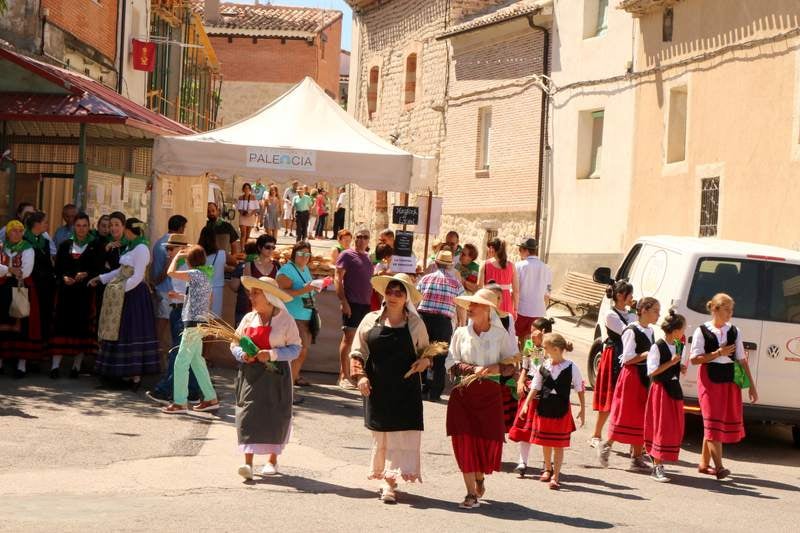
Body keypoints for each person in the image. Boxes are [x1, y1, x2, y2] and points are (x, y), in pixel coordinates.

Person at [350, 274, 431, 503]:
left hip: (406, 389)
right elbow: (357, 351)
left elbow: (427, 353)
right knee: (383, 435)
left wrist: (424, 362)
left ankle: (389, 482)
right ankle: (386, 478)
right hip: (378, 387)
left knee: (399, 436)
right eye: (390, 291)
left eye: (399, 292)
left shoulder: (415, 324)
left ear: (406, 298)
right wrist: (360, 377)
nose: (393, 296)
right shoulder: (370, 320)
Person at [445, 289, 519, 510]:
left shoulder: (501, 335)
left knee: (485, 442)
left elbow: (512, 365)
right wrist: (472, 369)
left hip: (489, 395)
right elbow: (451, 363)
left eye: (475, 304)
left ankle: (479, 476)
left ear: (488, 309)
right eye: (470, 304)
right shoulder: (460, 333)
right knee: (463, 441)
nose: (470, 308)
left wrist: (498, 368)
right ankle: (470, 493)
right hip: (463, 394)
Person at [232, 276, 302, 480]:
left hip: (276, 375)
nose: (251, 296)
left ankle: (272, 460)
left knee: (275, 414)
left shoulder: (285, 320)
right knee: (247, 414)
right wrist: (242, 355)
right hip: (250, 374)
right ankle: (247, 464)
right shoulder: (248, 318)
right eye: (251, 293)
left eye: (256, 293)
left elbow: (296, 348)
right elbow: (234, 344)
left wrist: (272, 354)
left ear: (269, 297)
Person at [690, 293, 758, 480]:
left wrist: (752, 386)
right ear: (715, 309)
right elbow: (694, 360)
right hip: (709, 380)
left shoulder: (734, 331)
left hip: (729, 380)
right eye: (727, 309)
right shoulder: (701, 331)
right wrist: (718, 353)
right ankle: (719, 467)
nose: (730, 313)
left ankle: (704, 464)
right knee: (712, 422)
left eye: (731, 310)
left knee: (714, 423)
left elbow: (742, 360)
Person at [89, 218, 160, 391]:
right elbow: (120, 271)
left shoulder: (141, 248)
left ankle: (135, 377)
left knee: (132, 332)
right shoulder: (131, 246)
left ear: (128, 230)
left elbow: (138, 276)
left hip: (134, 295)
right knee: (120, 332)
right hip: (123, 293)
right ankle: (120, 375)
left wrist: (119, 290)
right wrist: (102, 278)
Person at [599, 297, 660, 469]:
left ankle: (637, 457)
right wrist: (646, 354)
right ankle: (606, 445)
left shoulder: (650, 331)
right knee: (625, 414)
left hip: (644, 376)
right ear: (644, 310)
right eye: (655, 311)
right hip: (631, 377)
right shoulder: (631, 330)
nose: (658, 314)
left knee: (641, 416)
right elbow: (626, 358)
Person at [161, 245, 220, 414]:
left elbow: (170, 272)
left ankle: (180, 402)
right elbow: (202, 298)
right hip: (199, 322)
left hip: (193, 324)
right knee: (197, 362)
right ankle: (210, 398)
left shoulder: (194, 274)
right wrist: (179, 296)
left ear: (189, 260)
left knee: (181, 362)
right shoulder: (204, 275)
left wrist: (176, 257)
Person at [49, 212, 103, 379]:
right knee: (61, 327)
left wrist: (86, 274)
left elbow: (99, 269)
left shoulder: (95, 245)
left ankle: (76, 366)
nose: (81, 229)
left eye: (84, 226)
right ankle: (55, 366)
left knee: (82, 329)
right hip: (66, 294)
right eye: (78, 225)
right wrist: (64, 277)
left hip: (84, 294)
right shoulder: (65, 245)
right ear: (74, 227)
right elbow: (57, 269)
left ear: (89, 226)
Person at [530, 333, 585, 490]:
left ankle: (556, 476)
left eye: (546, 348)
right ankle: (548, 468)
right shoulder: (544, 366)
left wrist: (582, 408)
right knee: (546, 442)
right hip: (545, 406)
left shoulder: (571, 367)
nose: (544, 350)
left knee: (558, 444)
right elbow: (535, 386)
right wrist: (527, 404)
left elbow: (579, 387)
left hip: (561, 408)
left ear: (555, 349)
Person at [644, 311, 689, 483]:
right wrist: (672, 362)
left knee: (673, 427)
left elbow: (675, 366)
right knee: (661, 427)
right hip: (661, 390)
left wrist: (679, 367)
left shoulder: (678, 346)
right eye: (683, 329)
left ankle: (657, 459)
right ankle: (657, 467)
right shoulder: (657, 346)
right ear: (675, 331)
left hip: (674, 389)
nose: (683, 332)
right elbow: (652, 371)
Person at [590, 280, 636, 447]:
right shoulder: (610, 314)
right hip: (614, 354)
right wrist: (635, 316)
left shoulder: (630, 314)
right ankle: (596, 435)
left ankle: (630, 441)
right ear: (620, 296)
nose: (632, 297)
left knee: (626, 397)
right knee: (609, 395)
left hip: (628, 355)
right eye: (629, 294)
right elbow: (627, 332)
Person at [416, 250, 464, 401]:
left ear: (436, 263)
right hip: (443, 321)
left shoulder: (425, 279)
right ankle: (435, 392)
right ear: (450, 266)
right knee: (440, 357)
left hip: (424, 319)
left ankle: (420, 387)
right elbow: (461, 305)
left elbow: (416, 298)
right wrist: (462, 323)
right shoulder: (456, 284)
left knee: (422, 352)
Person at [509, 317, 553, 477]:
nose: (531, 334)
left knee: (544, 429)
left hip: (546, 390)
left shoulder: (552, 347)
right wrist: (520, 381)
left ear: (543, 332)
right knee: (525, 425)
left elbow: (549, 366)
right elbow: (525, 367)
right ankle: (522, 462)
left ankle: (547, 464)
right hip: (529, 387)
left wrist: (544, 344)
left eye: (534, 331)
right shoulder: (529, 345)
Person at [335, 229, 378, 389]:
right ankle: (343, 376)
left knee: (360, 341)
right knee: (348, 339)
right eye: (359, 236)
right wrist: (343, 301)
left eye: (365, 237)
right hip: (352, 302)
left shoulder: (368, 258)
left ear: (369, 240)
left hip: (365, 304)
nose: (361, 240)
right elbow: (337, 278)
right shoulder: (347, 254)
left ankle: (354, 374)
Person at [276, 242, 321, 393]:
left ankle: (292, 381)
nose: (304, 257)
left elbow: (305, 290)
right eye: (301, 254)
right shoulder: (286, 270)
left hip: (306, 315)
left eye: (307, 254)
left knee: (302, 351)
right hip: (292, 316)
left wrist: (313, 289)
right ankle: (287, 388)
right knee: (296, 352)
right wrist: (305, 290)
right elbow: (282, 293)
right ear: (294, 254)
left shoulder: (305, 268)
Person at [0, 220, 38, 378]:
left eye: (20, 230)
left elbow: (25, 271)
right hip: (2, 289)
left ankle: (21, 365)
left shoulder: (28, 248)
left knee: (22, 325)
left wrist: (5, 271)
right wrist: (10, 269)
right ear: (8, 233)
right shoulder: (2, 247)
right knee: (2, 323)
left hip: (21, 289)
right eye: (13, 230)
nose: (17, 233)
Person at [151, 215, 188, 351]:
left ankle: (159, 347)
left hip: (163, 287)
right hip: (168, 288)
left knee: (165, 319)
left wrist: (155, 283)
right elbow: (167, 268)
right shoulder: (174, 244)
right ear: (181, 228)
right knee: (164, 320)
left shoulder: (158, 242)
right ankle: (157, 348)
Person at [24, 211, 55, 357]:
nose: (47, 225)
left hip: (46, 286)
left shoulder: (45, 241)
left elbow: (48, 263)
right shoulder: (24, 240)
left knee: (45, 316)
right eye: (45, 222)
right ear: (36, 224)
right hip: (31, 285)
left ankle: (42, 350)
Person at [514, 238, 552, 347]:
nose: (519, 252)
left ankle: (524, 357)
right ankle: (531, 357)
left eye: (520, 249)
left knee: (522, 338)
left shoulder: (519, 266)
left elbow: (515, 289)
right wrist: (543, 308)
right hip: (538, 310)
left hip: (522, 309)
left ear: (526, 250)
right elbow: (548, 292)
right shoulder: (547, 268)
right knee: (535, 341)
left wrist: (514, 308)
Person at [478, 238, 519, 318]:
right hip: (506, 302)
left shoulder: (484, 264)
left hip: (490, 300)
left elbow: (479, 287)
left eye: (489, 247)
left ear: (492, 249)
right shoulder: (511, 265)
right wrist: (515, 309)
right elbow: (516, 291)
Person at [199, 226, 227, 317]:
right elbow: (234, 262)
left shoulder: (196, 253)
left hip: (200, 287)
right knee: (214, 318)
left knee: (200, 317)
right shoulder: (222, 253)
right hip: (217, 289)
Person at [237, 183, 260, 247]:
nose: (246, 189)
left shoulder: (253, 197)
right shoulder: (240, 197)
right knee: (243, 234)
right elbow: (238, 208)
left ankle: (245, 247)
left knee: (247, 235)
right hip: (242, 217)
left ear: (250, 189)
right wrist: (242, 212)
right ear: (243, 189)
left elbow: (257, 208)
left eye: (248, 188)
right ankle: (242, 249)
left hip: (251, 217)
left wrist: (250, 214)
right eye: (245, 188)